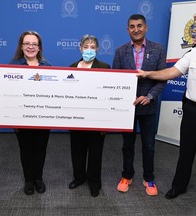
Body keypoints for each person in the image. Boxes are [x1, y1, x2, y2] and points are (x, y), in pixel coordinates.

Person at [137, 13, 196, 212]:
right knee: (185, 153)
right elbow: (172, 72)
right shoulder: (195, 53)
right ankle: (178, 187)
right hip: (192, 112)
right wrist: (147, 73)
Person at [113, 14, 167, 196]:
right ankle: (127, 175)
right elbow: (116, 80)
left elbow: (162, 78)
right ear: (127, 29)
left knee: (149, 145)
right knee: (127, 145)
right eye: (132, 26)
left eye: (139, 26)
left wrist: (149, 96)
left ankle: (149, 178)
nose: (135, 29)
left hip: (149, 105)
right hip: (127, 107)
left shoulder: (158, 49)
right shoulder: (120, 51)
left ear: (146, 28)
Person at [68, 34, 110, 197]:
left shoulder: (104, 67)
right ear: (80, 48)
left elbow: (108, 94)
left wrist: (106, 121)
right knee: (77, 150)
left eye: (92, 47)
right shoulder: (72, 67)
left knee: (95, 151)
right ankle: (79, 177)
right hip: (76, 117)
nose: (89, 50)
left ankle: (94, 182)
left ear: (97, 49)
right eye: (86, 47)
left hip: (97, 119)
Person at [10, 31, 51, 196]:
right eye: (27, 43)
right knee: (25, 149)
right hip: (22, 119)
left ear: (39, 47)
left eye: (34, 44)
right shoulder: (12, 67)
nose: (30, 47)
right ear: (21, 46)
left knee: (41, 148)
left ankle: (38, 179)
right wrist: (12, 119)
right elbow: (9, 95)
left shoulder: (47, 67)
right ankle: (28, 180)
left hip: (43, 119)